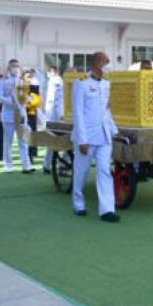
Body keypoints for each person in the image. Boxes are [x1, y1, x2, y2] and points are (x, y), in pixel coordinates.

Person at [71, 52, 121, 222]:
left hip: (104, 135)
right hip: (87, 137)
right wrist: (82, 140)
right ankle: (78, 203)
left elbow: (106, 109)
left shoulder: (107, 83)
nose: (108, 63)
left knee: (104, 171)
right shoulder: (81, 83)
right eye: (106, 61)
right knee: (81, 172)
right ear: (97, 62)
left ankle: (107, 209)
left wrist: (114, 130)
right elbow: (78, 113)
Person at [0, 59, 33, 173]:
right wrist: (11, 102)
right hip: (8, 114)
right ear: (8, 67)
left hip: (21, 114)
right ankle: (8, 164)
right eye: (13, 66)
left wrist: (26, 100)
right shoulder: (3, 81)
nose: (15, 68)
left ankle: (26, 165)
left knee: (23, 140)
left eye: (17, 66)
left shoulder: (22, 81)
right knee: (8, 141)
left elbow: (26, 95)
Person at [43, 65, 65, 174]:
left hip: (55, 117)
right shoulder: (54, 81)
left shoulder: (57, 81)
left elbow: (57, 101)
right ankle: (59, 165)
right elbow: (56, 101)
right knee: (57, 141)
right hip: (55, 118)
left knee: (54, 142)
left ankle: (49, 165)